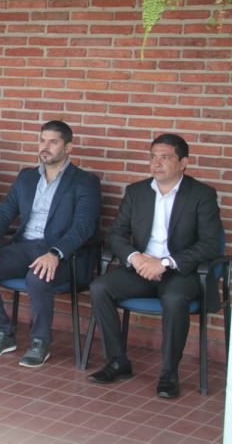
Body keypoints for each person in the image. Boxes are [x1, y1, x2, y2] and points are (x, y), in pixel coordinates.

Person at [87, 134, 222, 398]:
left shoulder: (202, 195)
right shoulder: (136, 192)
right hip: (142, 268)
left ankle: (169, 373)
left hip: (180, 272)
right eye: (152, 157)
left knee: (174, 299)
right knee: (100, 287)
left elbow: (210, 244)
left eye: (165, 157)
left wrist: (165, 263)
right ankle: (118, 361)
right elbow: (116, 234)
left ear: (183, 163)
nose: (156, 163)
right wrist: (135, 258)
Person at [0, 120, 100, 367]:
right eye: (42, 140)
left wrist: (55, 253)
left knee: (38, 277)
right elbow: (4, 212)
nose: (45, 147)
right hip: (24, 247)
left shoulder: (84, 182)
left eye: (53, 142)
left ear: (68, 147)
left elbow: (83, 226)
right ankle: (3, 333)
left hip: (63, 254)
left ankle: (40, 342)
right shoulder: (27, 177)